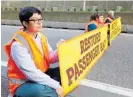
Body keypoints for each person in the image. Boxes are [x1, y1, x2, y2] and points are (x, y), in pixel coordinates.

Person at [4, 7, 64, 97]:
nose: (39, 22)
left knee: (64, 73)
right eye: (35, 20)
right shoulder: (18, 44)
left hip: (40, 74)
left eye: (40, 19)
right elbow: (31, 72)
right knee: (43, 92)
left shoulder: (41, 37)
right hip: (22, 83)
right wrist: (56, 85)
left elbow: (49, 57)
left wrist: (60, 51)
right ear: (25, 23)